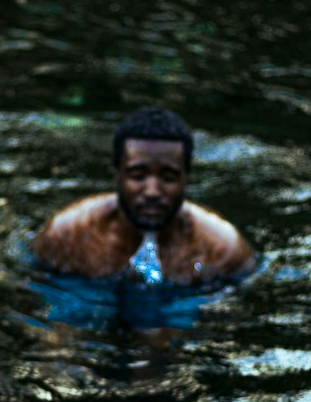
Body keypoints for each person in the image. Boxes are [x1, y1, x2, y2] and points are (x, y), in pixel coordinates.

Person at [32, 107, 253, 285]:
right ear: (117, 174)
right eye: (138, 176)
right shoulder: (69, 236)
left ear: (186, 178)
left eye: (168, 177)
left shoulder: (222, 250)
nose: (152, 192)